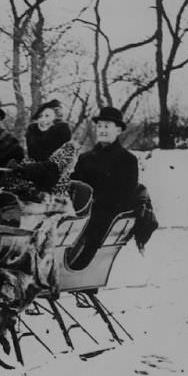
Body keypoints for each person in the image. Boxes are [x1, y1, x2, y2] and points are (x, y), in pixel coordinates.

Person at [68, 106, 139, 269]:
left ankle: (76, 267)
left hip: (106, 213)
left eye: (107, 126)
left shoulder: (127, 160)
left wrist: (94, 204)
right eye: (99, 126)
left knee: (90, 226)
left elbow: (125, 194)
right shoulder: (85, 158)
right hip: (80, 210)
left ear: (118, 130)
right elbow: (75, 185)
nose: (102, 130)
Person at [4, 99, 77, 199]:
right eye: (40, 116)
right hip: (31, 190)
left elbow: (54, 167)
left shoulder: (67, 146)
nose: (43, 120)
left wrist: (27, 169)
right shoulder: (32, 142)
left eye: (47, 116)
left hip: (56, 194)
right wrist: (16, 167)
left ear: (56, 120)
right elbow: (29, 161)